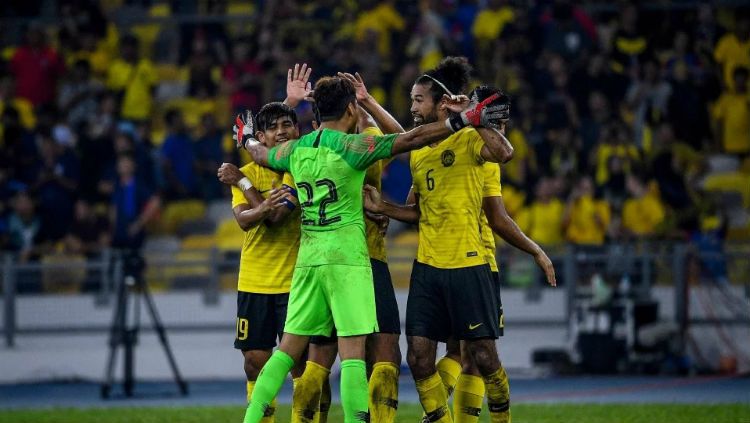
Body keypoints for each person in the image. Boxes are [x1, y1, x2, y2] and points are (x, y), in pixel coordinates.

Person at [237, 75, 508, 423]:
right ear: (351, 108)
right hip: (348, 261)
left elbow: (260, 153)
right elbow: (412, 139)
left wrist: (245, 135)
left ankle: (252, 418)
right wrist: (464, 120)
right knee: (352, 356)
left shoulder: (295, 149)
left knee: (287, 350)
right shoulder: (354, 148)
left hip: (308, 262)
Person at [361, 57, 522, 423]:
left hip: (470, 262)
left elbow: (504, 154)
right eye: (412, 99)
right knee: (418, 358)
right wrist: (383, 207)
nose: (413, 106)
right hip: (429, 266)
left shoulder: (469, 138)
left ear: (438, 102)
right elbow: (415, 207)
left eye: (419, 100)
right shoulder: (420, 152)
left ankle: (501, 416)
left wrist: (476, 118)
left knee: (479, 357)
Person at [217, 102, 305, 423]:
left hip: (295, 283)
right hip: (254, 282)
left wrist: (242, 182)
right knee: (255, 362)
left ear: (298, 130)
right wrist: (250, 187)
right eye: (273, 127)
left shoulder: (298, 168)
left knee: (300, 364)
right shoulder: (251, 171)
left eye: (287, 124)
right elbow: (244, 220)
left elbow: (276, 218)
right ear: (262, 137)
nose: (281, 131)